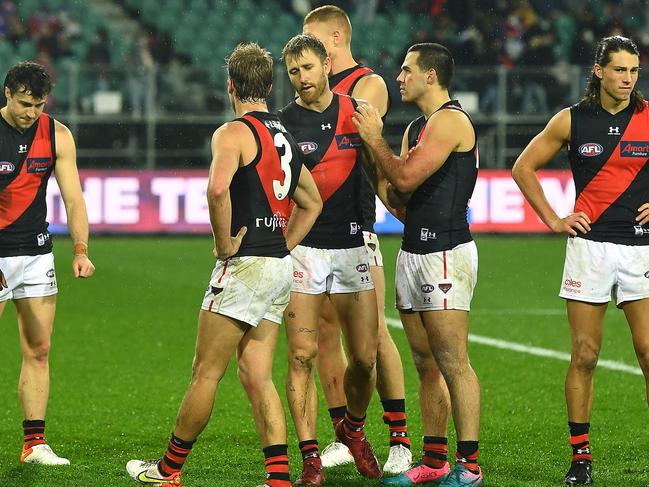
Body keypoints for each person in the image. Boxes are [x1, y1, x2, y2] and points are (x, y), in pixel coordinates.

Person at [126, 42, 322, 487]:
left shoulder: (232, 133)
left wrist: (223, 243)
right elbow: (312, 201)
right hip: (276, 268)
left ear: (230, 84)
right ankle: (278, 479)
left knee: (206, 371)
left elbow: (217, 191)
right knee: (257, 374)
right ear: (270, 86)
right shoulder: (285, 133)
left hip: (247, 264)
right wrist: (283, 243)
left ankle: (168, 470)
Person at [512, 35, 649, 486]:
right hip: (589, 249)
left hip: (640, 248)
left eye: (633, 70)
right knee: (586, 354)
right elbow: (523, 167)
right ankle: (581, 455)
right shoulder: (571, 120)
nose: (628, 78)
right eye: (619, 69)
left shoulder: (648, 117)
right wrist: (552, 218)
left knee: (648, 351)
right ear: (599, 71)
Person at [354, 43, 484, 487]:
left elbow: (406, 176)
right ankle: (435, 460)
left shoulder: (450, 121)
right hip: (412, 252)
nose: (400, 78)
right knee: (426, 363)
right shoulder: (417, 127)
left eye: (407, 70)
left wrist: (374, 140)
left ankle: (470, 466)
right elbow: (400, 200)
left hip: (445, 254)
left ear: (431, 75)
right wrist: (369, 162)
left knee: (454, 362)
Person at [301, 5, 412, 475]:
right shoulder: (311, 94)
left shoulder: (368, 83)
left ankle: (400, 437)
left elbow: (359, 129)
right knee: (323, 334)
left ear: (334, 38)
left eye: (311, 42)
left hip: (356, 223)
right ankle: (344, 434)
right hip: (312, 230)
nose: (304, 53)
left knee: (372, 337)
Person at [279, 34, 382, 485]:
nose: (301, 78)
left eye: (307, 68)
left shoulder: (358, 114)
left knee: (365, 358)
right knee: (302, 355)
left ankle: (353, 429)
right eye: (293, 72)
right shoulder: (280, 124)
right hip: (302, 250)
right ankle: (309, 459)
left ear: (326, 65)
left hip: (352, 247)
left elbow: (382, 172)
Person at [0, 61, 95, 466]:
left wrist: (80, 249)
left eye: (38, 105)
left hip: (37, 255)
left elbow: (73, 198)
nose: (31, 112)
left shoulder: (57, 135)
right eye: (24, 104)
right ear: (7, 94)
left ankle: (34, 444)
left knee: (39, 350)